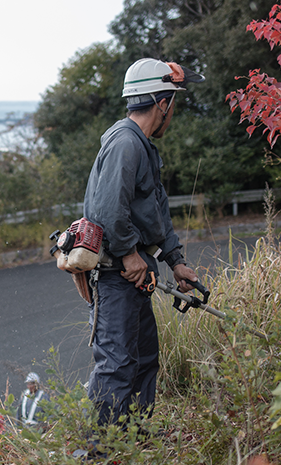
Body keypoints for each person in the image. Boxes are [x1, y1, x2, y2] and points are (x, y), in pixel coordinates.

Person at [82, 58, 205, 429]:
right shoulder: (125, 144)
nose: (173, 112)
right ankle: (100, 453)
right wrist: (129, 254)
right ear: (162, 102)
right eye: (173, 103)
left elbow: (155, 212)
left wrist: (175, 261)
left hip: (136, 274)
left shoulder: (143, 146)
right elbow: (107, 209)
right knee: (117, 366)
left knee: (144, 360)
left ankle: (134, 441)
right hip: (117, 276)